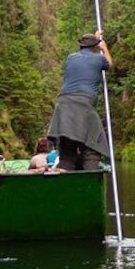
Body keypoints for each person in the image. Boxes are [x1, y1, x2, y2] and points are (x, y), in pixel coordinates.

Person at [46, 30, 112, 171]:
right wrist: (104, 48)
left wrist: (95, 40)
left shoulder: (71, 58)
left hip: (63, 104)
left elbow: (87, 56)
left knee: (67, 152)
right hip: (83, 103)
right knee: (92, 147)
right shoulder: (99, 58)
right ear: (95, 47)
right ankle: (90, 174)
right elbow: (110, 64)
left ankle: (63, 173)